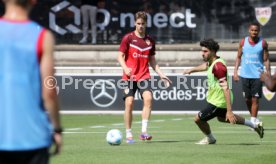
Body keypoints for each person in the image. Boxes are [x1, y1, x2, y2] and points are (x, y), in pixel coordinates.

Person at [0, 0, 62, 163]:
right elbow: (49, 91)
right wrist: (57, 129)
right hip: (34, 138)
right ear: (33, 1)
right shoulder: (43, 36)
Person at [183, 39, 264, 145]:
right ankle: (254, 125)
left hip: (219, 100)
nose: (202, 53)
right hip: (218, 99)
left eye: (205, 51)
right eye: (202, 51)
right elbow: (206, 66)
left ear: (212, 51)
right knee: (222, 118)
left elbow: (226, 88)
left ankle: (210, 138)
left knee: (198, 119)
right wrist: (191, 70)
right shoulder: (213, 62)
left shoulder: (218, 67)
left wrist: (229, 111)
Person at [117, 11, 171, 144]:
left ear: (146, 24)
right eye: (138, 23)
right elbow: (120, 56)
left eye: (143, 24)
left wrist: (161, 75)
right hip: (129, 77)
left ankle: (144, 132)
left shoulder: (150, 41)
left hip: (143, 76)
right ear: (135, 23)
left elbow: (152, 61)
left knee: (148, 98)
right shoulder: (128, 38)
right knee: (129, 103)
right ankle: (129, 134)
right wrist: (125, 67)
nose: (140, 26)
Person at [233, 22, 270, 125]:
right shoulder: (243, 42)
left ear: (259, 31)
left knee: (255, 99)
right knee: (247, 99)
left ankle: (253, 121)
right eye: (252, 30)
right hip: (245, 75)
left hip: (258, 76)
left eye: (256, 30)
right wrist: (235, 72)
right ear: (249, 30)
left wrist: (268, 73)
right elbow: (238, 57)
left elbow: (266, 60)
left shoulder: (263, 43)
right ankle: (254, 118)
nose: (254, 32)